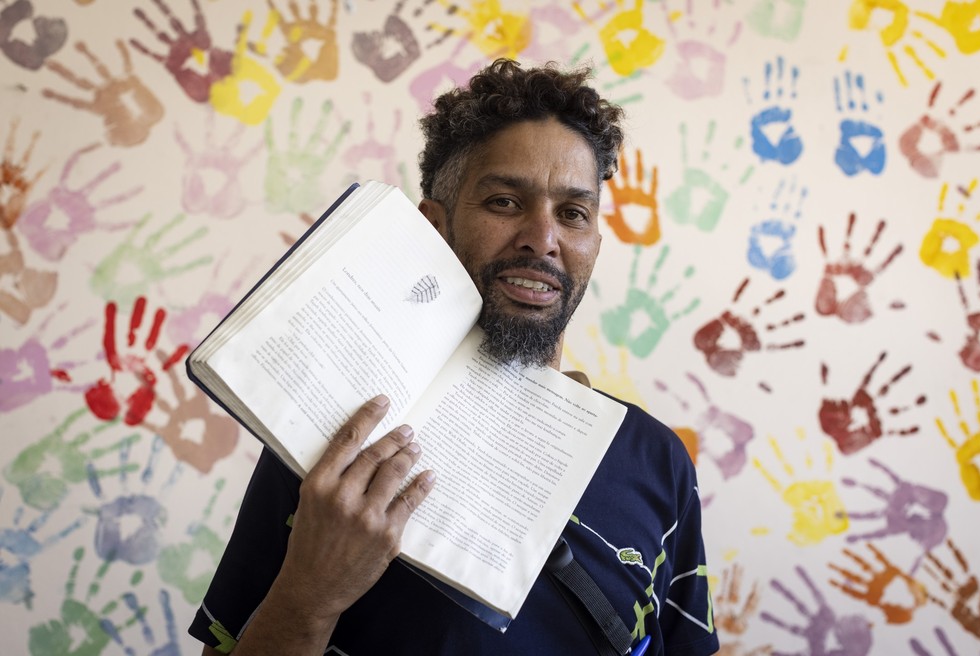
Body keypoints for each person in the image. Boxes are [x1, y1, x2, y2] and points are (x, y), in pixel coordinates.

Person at [189, 58, 719, 655]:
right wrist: (310, 593)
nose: (543, 238)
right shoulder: (333, 442)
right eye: (504, 202)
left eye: (573, 213)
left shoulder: (656, 461)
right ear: (432, 229)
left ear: (594, 240)